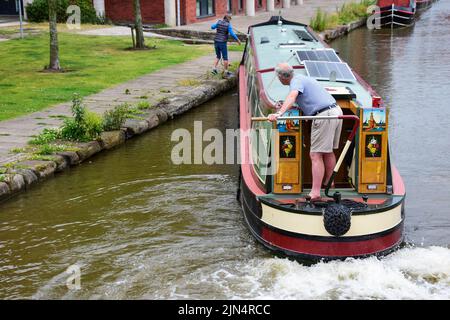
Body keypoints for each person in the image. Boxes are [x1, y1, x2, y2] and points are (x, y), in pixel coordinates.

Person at [268, 63, 343, 200]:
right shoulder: (303, 78)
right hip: (336, 112)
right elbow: (307, 98)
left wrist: (279, 113)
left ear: (281, 77)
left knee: (315, 155)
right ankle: (329, 182)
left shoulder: (295, 82)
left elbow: (292, 96)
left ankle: (315, 193)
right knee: (328, 151)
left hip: (324, 115)